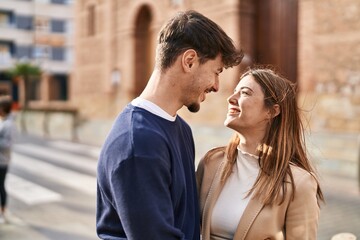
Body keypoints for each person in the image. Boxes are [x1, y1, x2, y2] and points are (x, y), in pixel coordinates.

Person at [96, 10, 243, 240]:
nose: (216, 86)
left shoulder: (181, 129)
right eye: (216, 72)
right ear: (189, 61)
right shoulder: (138, 143)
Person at [196, 67, 324, 240]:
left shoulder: (299, 183)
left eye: (245, 93)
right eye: (234, 92)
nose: (231, 99)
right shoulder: (211, 162)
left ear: (272, 111)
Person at [0, 96, 15, 223]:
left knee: (1, 187)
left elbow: (7, 144)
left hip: (2, 161)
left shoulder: (9, 124)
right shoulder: (2, 121)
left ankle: (3, 213)